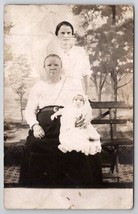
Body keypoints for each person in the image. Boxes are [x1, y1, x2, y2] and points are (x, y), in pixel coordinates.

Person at [19, 54, 102, 187]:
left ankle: (80, 187)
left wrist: (85, 118)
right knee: (35, 144)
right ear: (44, 68)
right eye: (49, 65)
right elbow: (29, 110)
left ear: (61, 67)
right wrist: (35, 126)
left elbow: (86, 104)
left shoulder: (72, 84)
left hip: (68, 124)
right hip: (45, 127)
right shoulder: (38, 87)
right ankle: (40, 187)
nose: (53, 67)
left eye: (56, 64)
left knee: (80, 145)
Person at [47, 21, 91, 96]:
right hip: (58, 91)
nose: (66, 36)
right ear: (57, 35)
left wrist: (87, 94)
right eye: (62, 33)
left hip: (77, 92)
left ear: (72, 35)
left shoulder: (80, 51)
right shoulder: (53, 53)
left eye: (68, 33)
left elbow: (86, 73)